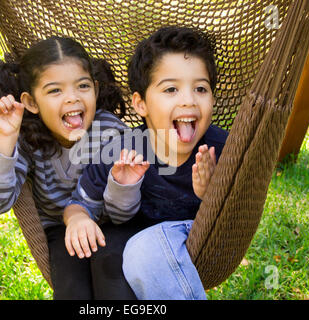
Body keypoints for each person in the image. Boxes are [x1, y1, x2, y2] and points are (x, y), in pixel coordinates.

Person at [64, 26, 229, 299]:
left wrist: (212, 193)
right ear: (141, 104)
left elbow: (238, 214)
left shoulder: (225, 150)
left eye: (201, 88)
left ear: (213, 98)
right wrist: (78, 219)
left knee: (145, 248)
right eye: (171, 89)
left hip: (199, 239)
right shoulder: (122, 151)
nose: (188, 100)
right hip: (140, 248)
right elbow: (78, 203)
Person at [0, 36, 137, 299]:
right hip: (60, 233)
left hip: (113, 224)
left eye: (82, 86)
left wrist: (95, 208)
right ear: (31, 102)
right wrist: (6, 137)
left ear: (95, 90)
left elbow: (124, 213)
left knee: (113, 278)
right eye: (55, 90)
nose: (72, 98)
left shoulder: (110, 133)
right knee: (72, 288)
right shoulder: (27, 141)